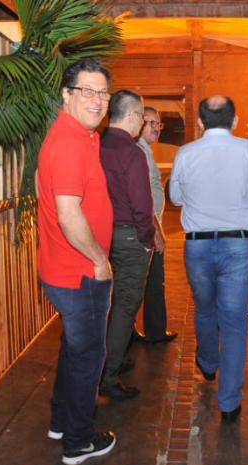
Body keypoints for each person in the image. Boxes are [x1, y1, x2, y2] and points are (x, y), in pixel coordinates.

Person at [169, 95, 248, 423]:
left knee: (204, 308)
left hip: (198, 246)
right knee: (234, 322)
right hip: (239, 246)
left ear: (199, 122)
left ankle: (208, 362)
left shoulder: (185, 153)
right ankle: (229, 404)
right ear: (234, 122)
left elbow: (175, 197)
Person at [36, 58, 116, 465]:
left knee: (73, 349)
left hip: (64, 269)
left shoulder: (78, 135)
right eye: (87, 90)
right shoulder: (70, 142)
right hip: (80, 272)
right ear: (66, 94)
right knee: (87, 358)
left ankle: (60, 421)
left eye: (103, 92)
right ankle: (79, 441)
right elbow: (69, 215)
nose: (97, 99)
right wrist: (99, 260)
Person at [99, 90, 156, 401]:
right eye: (143, 117)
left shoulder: (97, 144)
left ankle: (110, 358)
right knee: (126, 304)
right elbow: (141, 205)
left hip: (100, 234)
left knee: (106, 303)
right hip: (129, 235)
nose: (142, 124)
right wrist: (147, 238)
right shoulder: (132, 153)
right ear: (133, 115)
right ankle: (107, 376)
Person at [136, 106, 178, 343]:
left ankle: (144, 330)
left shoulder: (146, 151)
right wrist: (157, 230)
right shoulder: (139, 152)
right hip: (147, 228)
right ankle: (154, 332)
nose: (156, 128)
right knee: (152, 282)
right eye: (150, 123)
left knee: (149, 281)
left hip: (148, 225)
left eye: (158, 123)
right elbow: (141, 196)